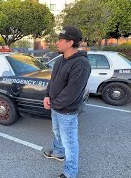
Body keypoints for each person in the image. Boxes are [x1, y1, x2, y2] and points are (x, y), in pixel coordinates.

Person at [43, 26, 91, 178]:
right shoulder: (61, 59)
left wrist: (54, 104)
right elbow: (53, 80)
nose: (57, 43)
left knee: (70, 143)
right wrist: (46, 96)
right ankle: (58, 153)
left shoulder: (81, 64)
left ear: (70, 43)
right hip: (56, 108)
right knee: (56, 133)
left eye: (60, 40)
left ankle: (70, 173)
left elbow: (72, 93)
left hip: (67, 111)